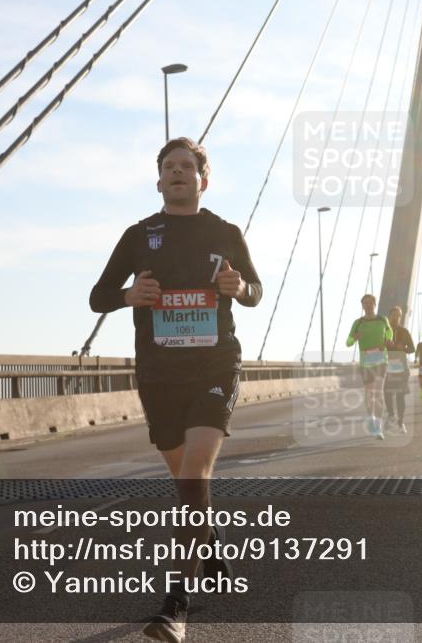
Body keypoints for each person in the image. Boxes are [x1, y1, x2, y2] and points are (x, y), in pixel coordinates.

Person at [89, 137, 262, 642]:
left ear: (203, 179)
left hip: (215, 366)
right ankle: (210, 541)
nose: (178, 172)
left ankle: (175, 607)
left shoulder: (226, 233)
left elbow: (255, 290)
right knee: (186, 480)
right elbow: (98, 296)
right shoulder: (138, 235)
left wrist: (239, 288)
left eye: (187, 166)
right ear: (159, 179)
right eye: (170, 166)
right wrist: (128, 295)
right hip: (159, 373)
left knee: (194, 474)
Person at [346, 294, 393, 440]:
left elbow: (389, 332)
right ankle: (371, 418)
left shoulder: (382, 320)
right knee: (370, 393)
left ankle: (378, 427)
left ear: (374, 304)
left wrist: (388, 339)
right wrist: (355, 337)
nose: (367, 305)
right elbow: (348, 342)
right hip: (366, 363)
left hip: (381, 360)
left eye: (370, 303)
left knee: (378, 392)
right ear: (362, 306)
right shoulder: (358, 323)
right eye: (365, 303)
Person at [384, 306, 415, 434]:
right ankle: (391, 415)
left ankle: (401, 422)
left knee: (400, 395)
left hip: (402, 368)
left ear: (400, 317)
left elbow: (412, 348)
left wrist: (404, 349)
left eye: (398, 316)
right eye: (393, 315)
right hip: (388, 367)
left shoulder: (404, 332)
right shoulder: (384, 331)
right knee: (387, 392)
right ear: (389, 317)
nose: (395, 318)